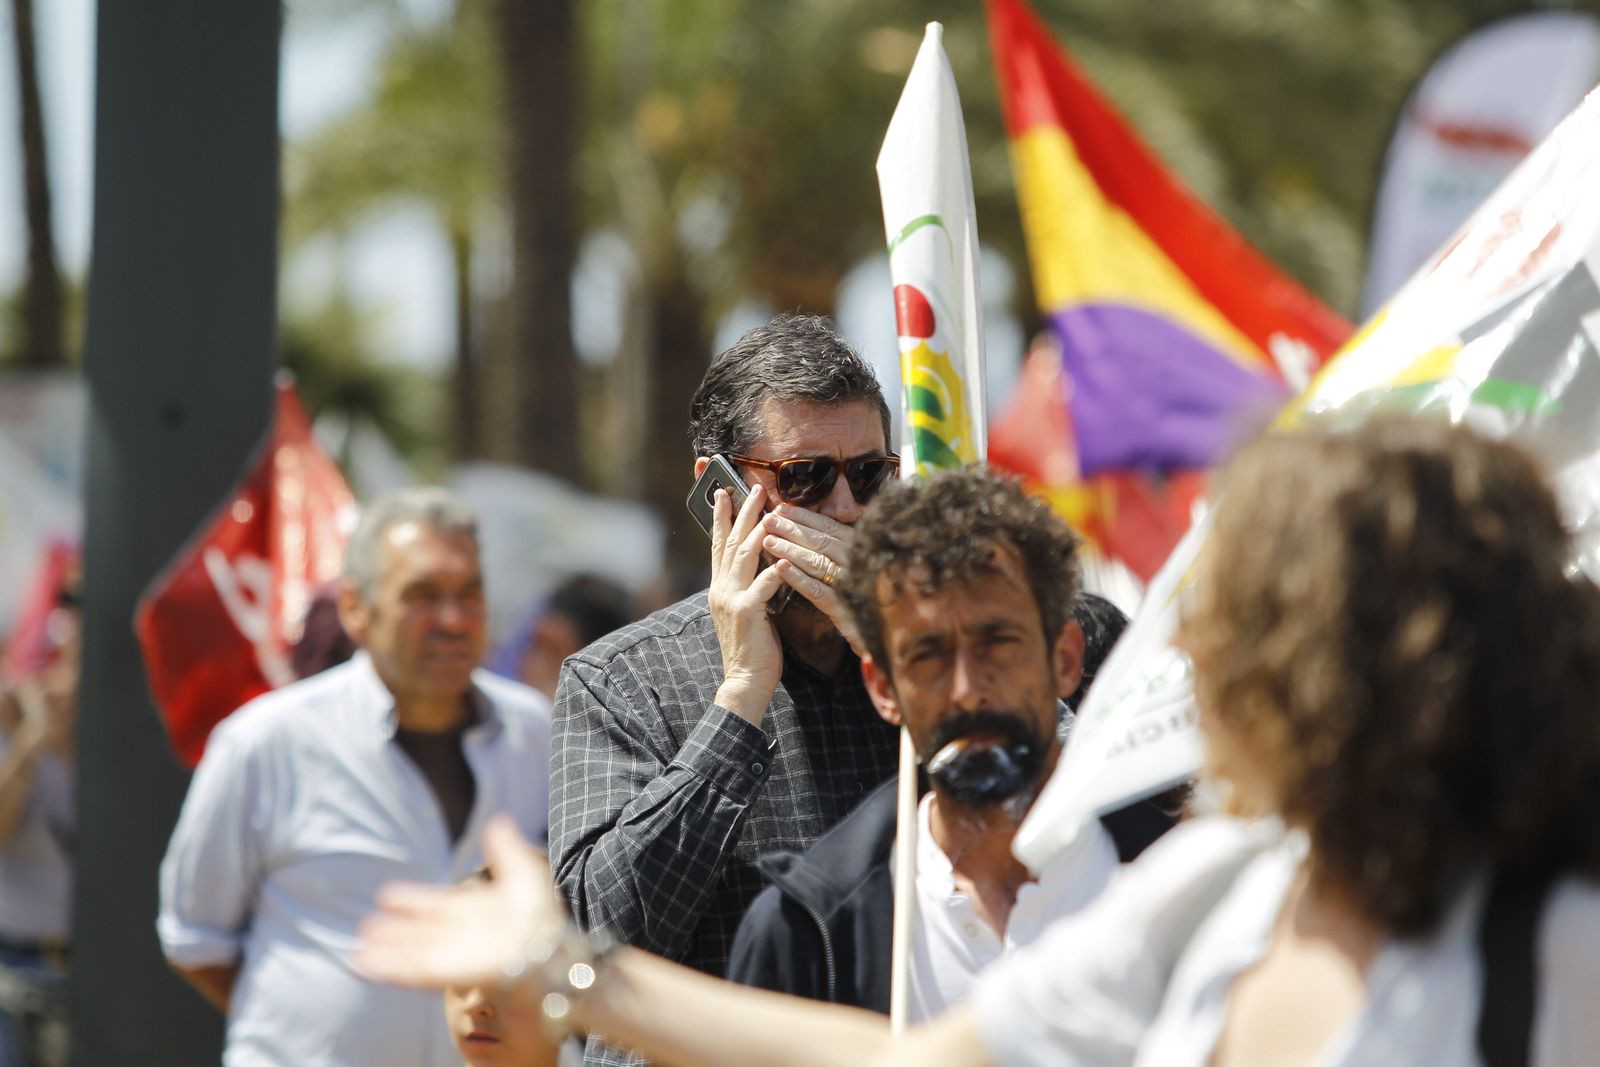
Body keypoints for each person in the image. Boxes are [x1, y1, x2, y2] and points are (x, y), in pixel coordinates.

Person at [358, 417, 1600, 1067]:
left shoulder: (1563, 940)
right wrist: (570, 970)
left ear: (1349, 668)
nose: (1189, 656)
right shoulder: (1215, 895)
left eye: (1236, 621)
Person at [548, 316, 902, 1020]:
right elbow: (600, 937)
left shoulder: (929, 656)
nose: (845, 509)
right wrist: (739, 696)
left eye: (868, 475)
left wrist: (901, 658)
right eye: (805, 478)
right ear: (722, 490)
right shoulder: (617, 680)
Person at [726, 472, 1170, 1017]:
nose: (966, 691)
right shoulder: (807, 936)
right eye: (929, 656)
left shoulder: (1187, 887)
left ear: (1065, 659)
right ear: (884, 688)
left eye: (998, 644)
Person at [158, 487, 552, 1067]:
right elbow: (197, 943)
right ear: (355, 609)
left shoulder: (537, 733)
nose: (452, 619)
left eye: (469, 593)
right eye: (422, 595)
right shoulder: (265, 743)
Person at [0, 581, 78, 1067]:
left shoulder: (116, 726)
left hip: (88, 972)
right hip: (15, 970)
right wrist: (32, 740)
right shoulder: (17, 715)